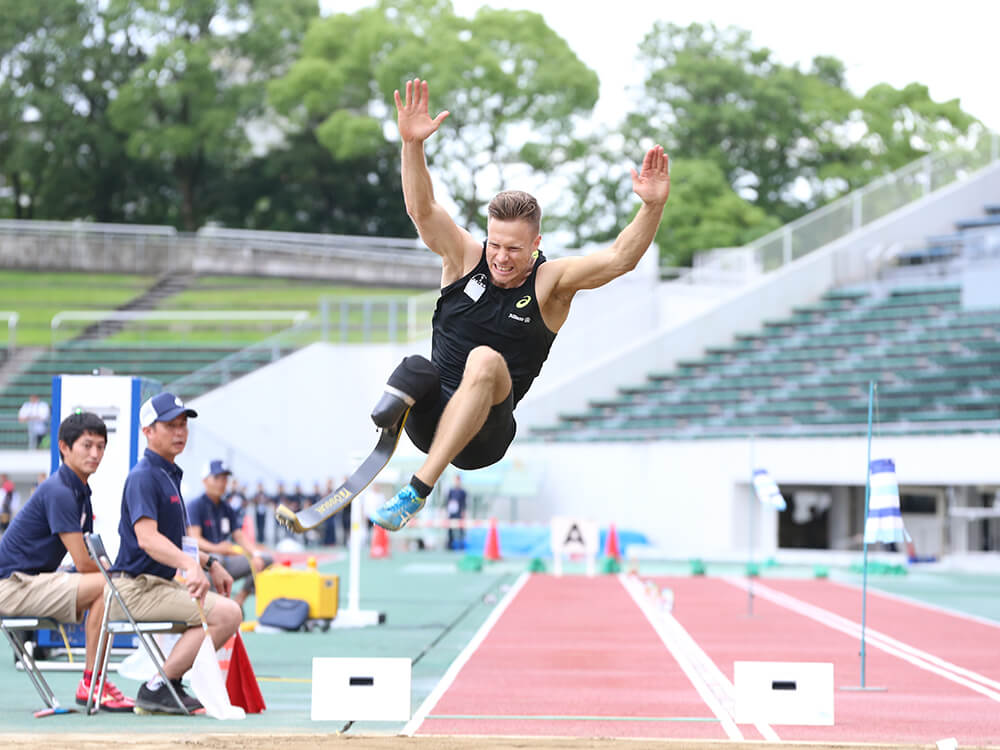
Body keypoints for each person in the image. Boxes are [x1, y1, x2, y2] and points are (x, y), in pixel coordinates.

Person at [370, 78, 670, 531]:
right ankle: (386, 424)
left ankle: (416, 491)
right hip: (430, 423)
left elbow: (619, 259)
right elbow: (423, 210)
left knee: (485, 360)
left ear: (535, 244)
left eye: (514, 249)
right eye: (495, 244)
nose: (500, 257)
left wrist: (651, 208)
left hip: (483, 438)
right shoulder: (464, 258)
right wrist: (412, 145)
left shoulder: (551, 284)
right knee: (415, 367)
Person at [111, 392, 242, 715]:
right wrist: (190, 565)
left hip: (154, 584)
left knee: (223, 612)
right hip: (137, 589)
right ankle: (160, 686)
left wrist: (210, 563)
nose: (180, 432)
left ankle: (166, 684)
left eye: (183, 424)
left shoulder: (167, 473)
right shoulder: (144, 476)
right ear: (148, 431)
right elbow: (147, 539)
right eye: (170, 425)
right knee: (227, 614)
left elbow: (176, 540)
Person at [0, 412, 134, 711]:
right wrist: (122, 572)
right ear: (64, 447)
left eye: (100, 446)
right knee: (109, 585)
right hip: (10, 587)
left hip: (31, 582)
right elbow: (84, 563)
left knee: (110, 585)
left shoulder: (79, 491)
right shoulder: (59, 490)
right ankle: (91, 682)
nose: (95, 454)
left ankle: (94, 681)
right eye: (87, 445)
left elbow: (89, 557)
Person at [186, 459, 273, 612]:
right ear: (205, 480)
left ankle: (239, 600)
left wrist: (255, 554)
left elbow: (239, 536)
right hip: (205, 561)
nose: (222, 483)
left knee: (265, 559)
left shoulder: (226, 508)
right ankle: (214, 609)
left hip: (225, 559)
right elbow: (195, 540)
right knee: (216, 560)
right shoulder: (195, 506)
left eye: (225, 479)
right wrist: (218, 548)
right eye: (217, 478)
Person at [446, 474, 467, 550]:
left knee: (461, 528)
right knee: (450, 528)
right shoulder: (451, 491)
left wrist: (463, 512)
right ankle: (450, 545)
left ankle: (461, 544)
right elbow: (447, 501)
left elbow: (464, 503)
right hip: (452, 512)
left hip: (459, 512)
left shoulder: (463, 492)